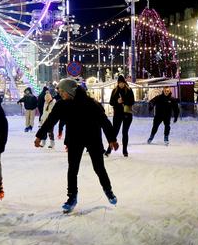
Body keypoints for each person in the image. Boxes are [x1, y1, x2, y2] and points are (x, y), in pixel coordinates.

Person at [35, 78, 119, 213]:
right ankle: (72, 197)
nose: (60, 94)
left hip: (93, 139)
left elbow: (104, 121)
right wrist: (40, 135)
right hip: (75, 140)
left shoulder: (91, 104)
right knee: (72, 169)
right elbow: (51, 120)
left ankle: (108, 191)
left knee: (99, 167)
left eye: (62, 91)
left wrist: (112, 139)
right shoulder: (62, 104)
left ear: (70, 91)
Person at [106, 75, 135, 157]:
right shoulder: (115, 91)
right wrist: (117, 101)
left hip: (127, 114)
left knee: (124, 132)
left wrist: (123, 101)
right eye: (119, 83)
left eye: (122, 83)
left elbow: (132, 101)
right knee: (114, 133)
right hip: (117, 114)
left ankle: (125, 150)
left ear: (125, 83)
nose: (121, 84)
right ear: (118, 83)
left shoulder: (129, 90)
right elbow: (111, 102)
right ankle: (109, 149)